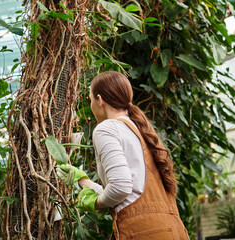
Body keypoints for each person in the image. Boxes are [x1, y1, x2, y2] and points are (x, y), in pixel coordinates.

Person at [56, 71, 189, 239]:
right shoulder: (139, 129)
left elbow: (121, 187)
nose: (91, 106)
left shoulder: (106, 128)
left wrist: (93, 202)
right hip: (172, 230)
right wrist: (82, 180)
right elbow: (131, 195)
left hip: (143, 233)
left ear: (100, 100)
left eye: (90, 100)